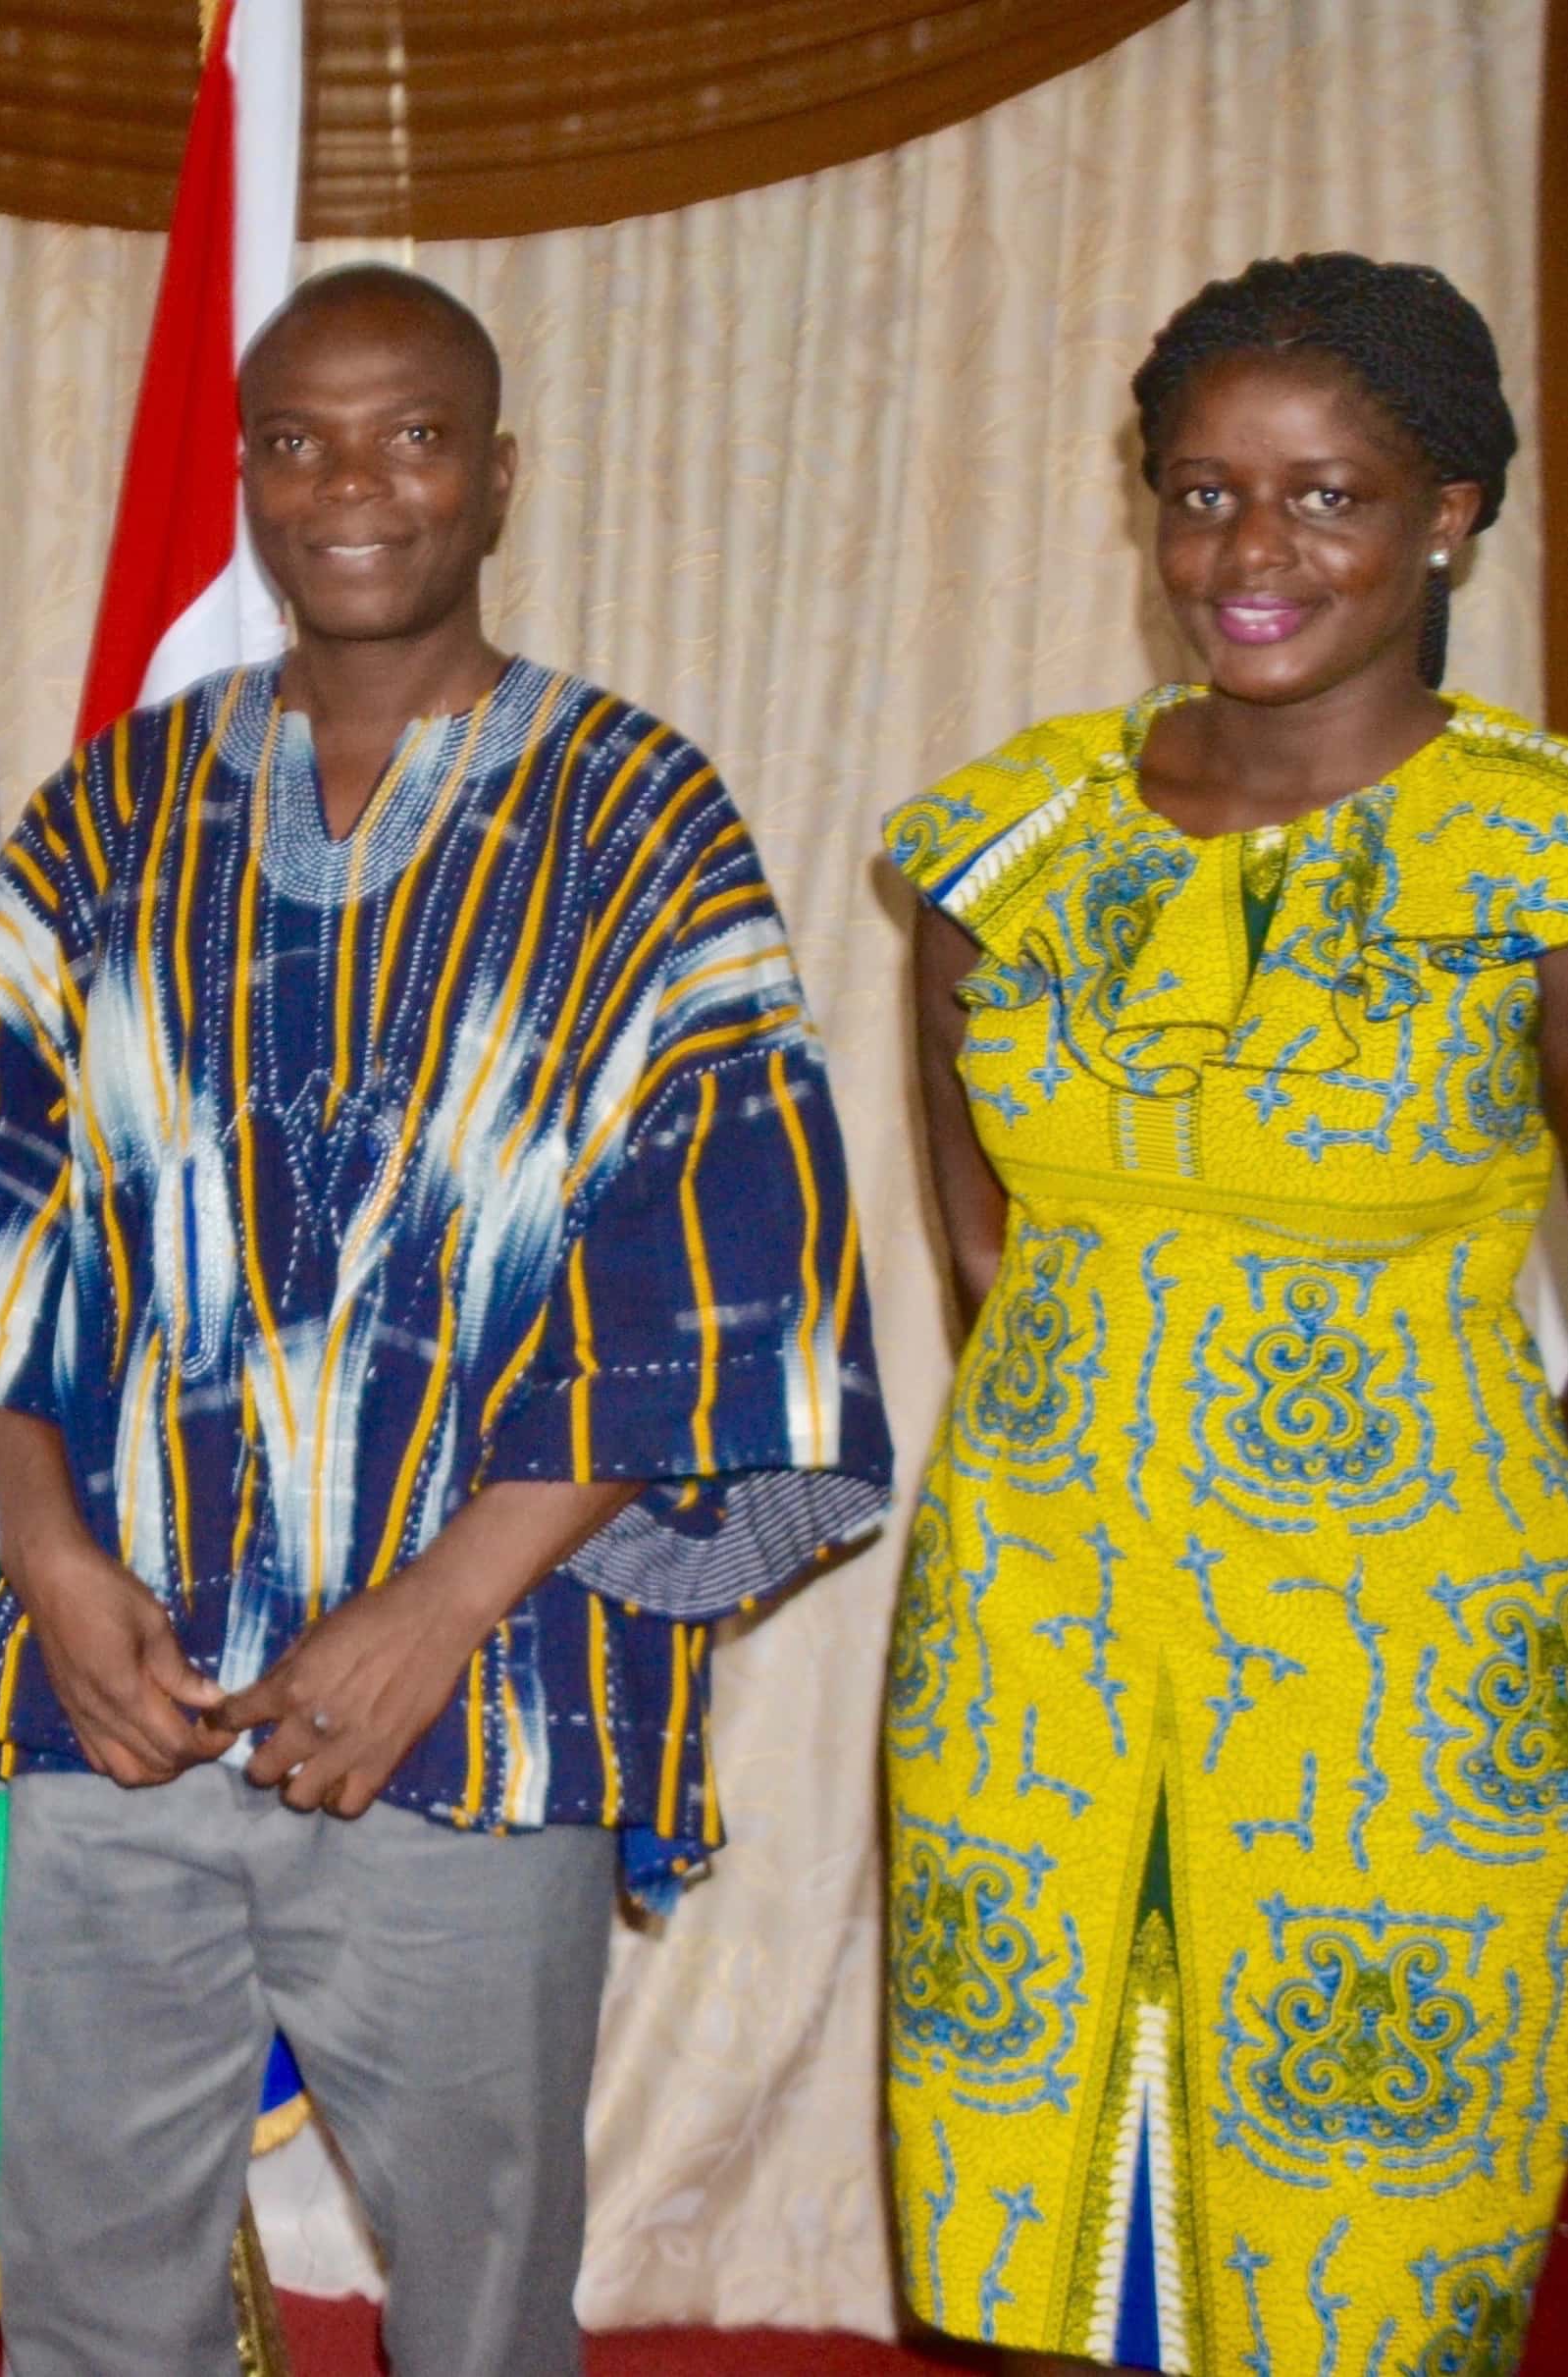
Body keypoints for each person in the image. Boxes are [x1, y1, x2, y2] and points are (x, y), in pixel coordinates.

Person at [0, 265, 893, 2377]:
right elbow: (4, 1224)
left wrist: (435, 1610)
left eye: (406, 435)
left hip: (482, 1702)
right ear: (244, 476)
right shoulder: (106, 816)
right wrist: (43, 1547)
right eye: (290, 439)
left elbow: (725, 1276)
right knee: (92, 2290)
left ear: (495, 477)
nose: (343, 486)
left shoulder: (640, 819)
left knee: (475, 2304)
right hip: (130, 1685)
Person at [885, 254, 1568, 2374]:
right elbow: (988, 1250)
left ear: (1447, 509)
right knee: (1034, 2202)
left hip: (1412, 1645)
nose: (1245, 554)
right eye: (1197, 495)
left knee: (1379, 2221)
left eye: (1321, 495)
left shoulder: (1541, 859)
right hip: (1031, 1627)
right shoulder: (1001, 845)